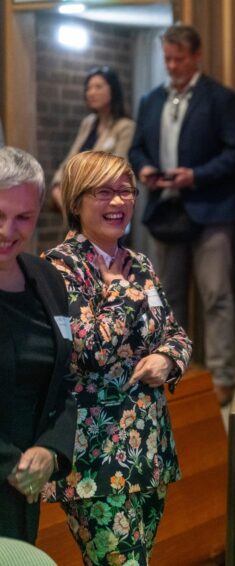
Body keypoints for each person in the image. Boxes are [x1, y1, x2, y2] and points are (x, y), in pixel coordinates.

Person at [42, 151, 192, 565]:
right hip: (96, 458)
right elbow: (86, 350)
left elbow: (175, 334)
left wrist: (167, 360)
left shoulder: (140, 263)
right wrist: (120, 291)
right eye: (104, 192)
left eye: (126, 191)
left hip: (148, 448)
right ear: (76, 202)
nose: (118, 202)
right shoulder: (59, 268)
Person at [129, 24, 235, 406]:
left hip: (213, 209)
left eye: (179, 58)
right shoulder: (150, 100)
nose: (172, 65)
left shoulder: (221, 98)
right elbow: (137, 148)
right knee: (166, 296)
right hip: (165, 209)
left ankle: (223, 376)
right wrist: (146, 169)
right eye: (167, 58)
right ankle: (172, 368)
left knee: (216, 296)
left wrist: (194, 176)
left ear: (197, 56)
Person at [0, 147, 76, 544]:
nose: (8, 230)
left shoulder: (46, 278)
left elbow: (63, 379)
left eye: (22, 217)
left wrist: (51, 449)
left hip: (26, 485)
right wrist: (12, 463)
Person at [50, 66, 135, 212]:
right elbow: (71, 159)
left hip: (104, 205)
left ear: (113, 90)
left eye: (98, 87)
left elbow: (117, 172)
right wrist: (58, 185)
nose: (91, 93)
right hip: (76, 203)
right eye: (88, 88)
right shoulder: (88, 123)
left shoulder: (125, 127)